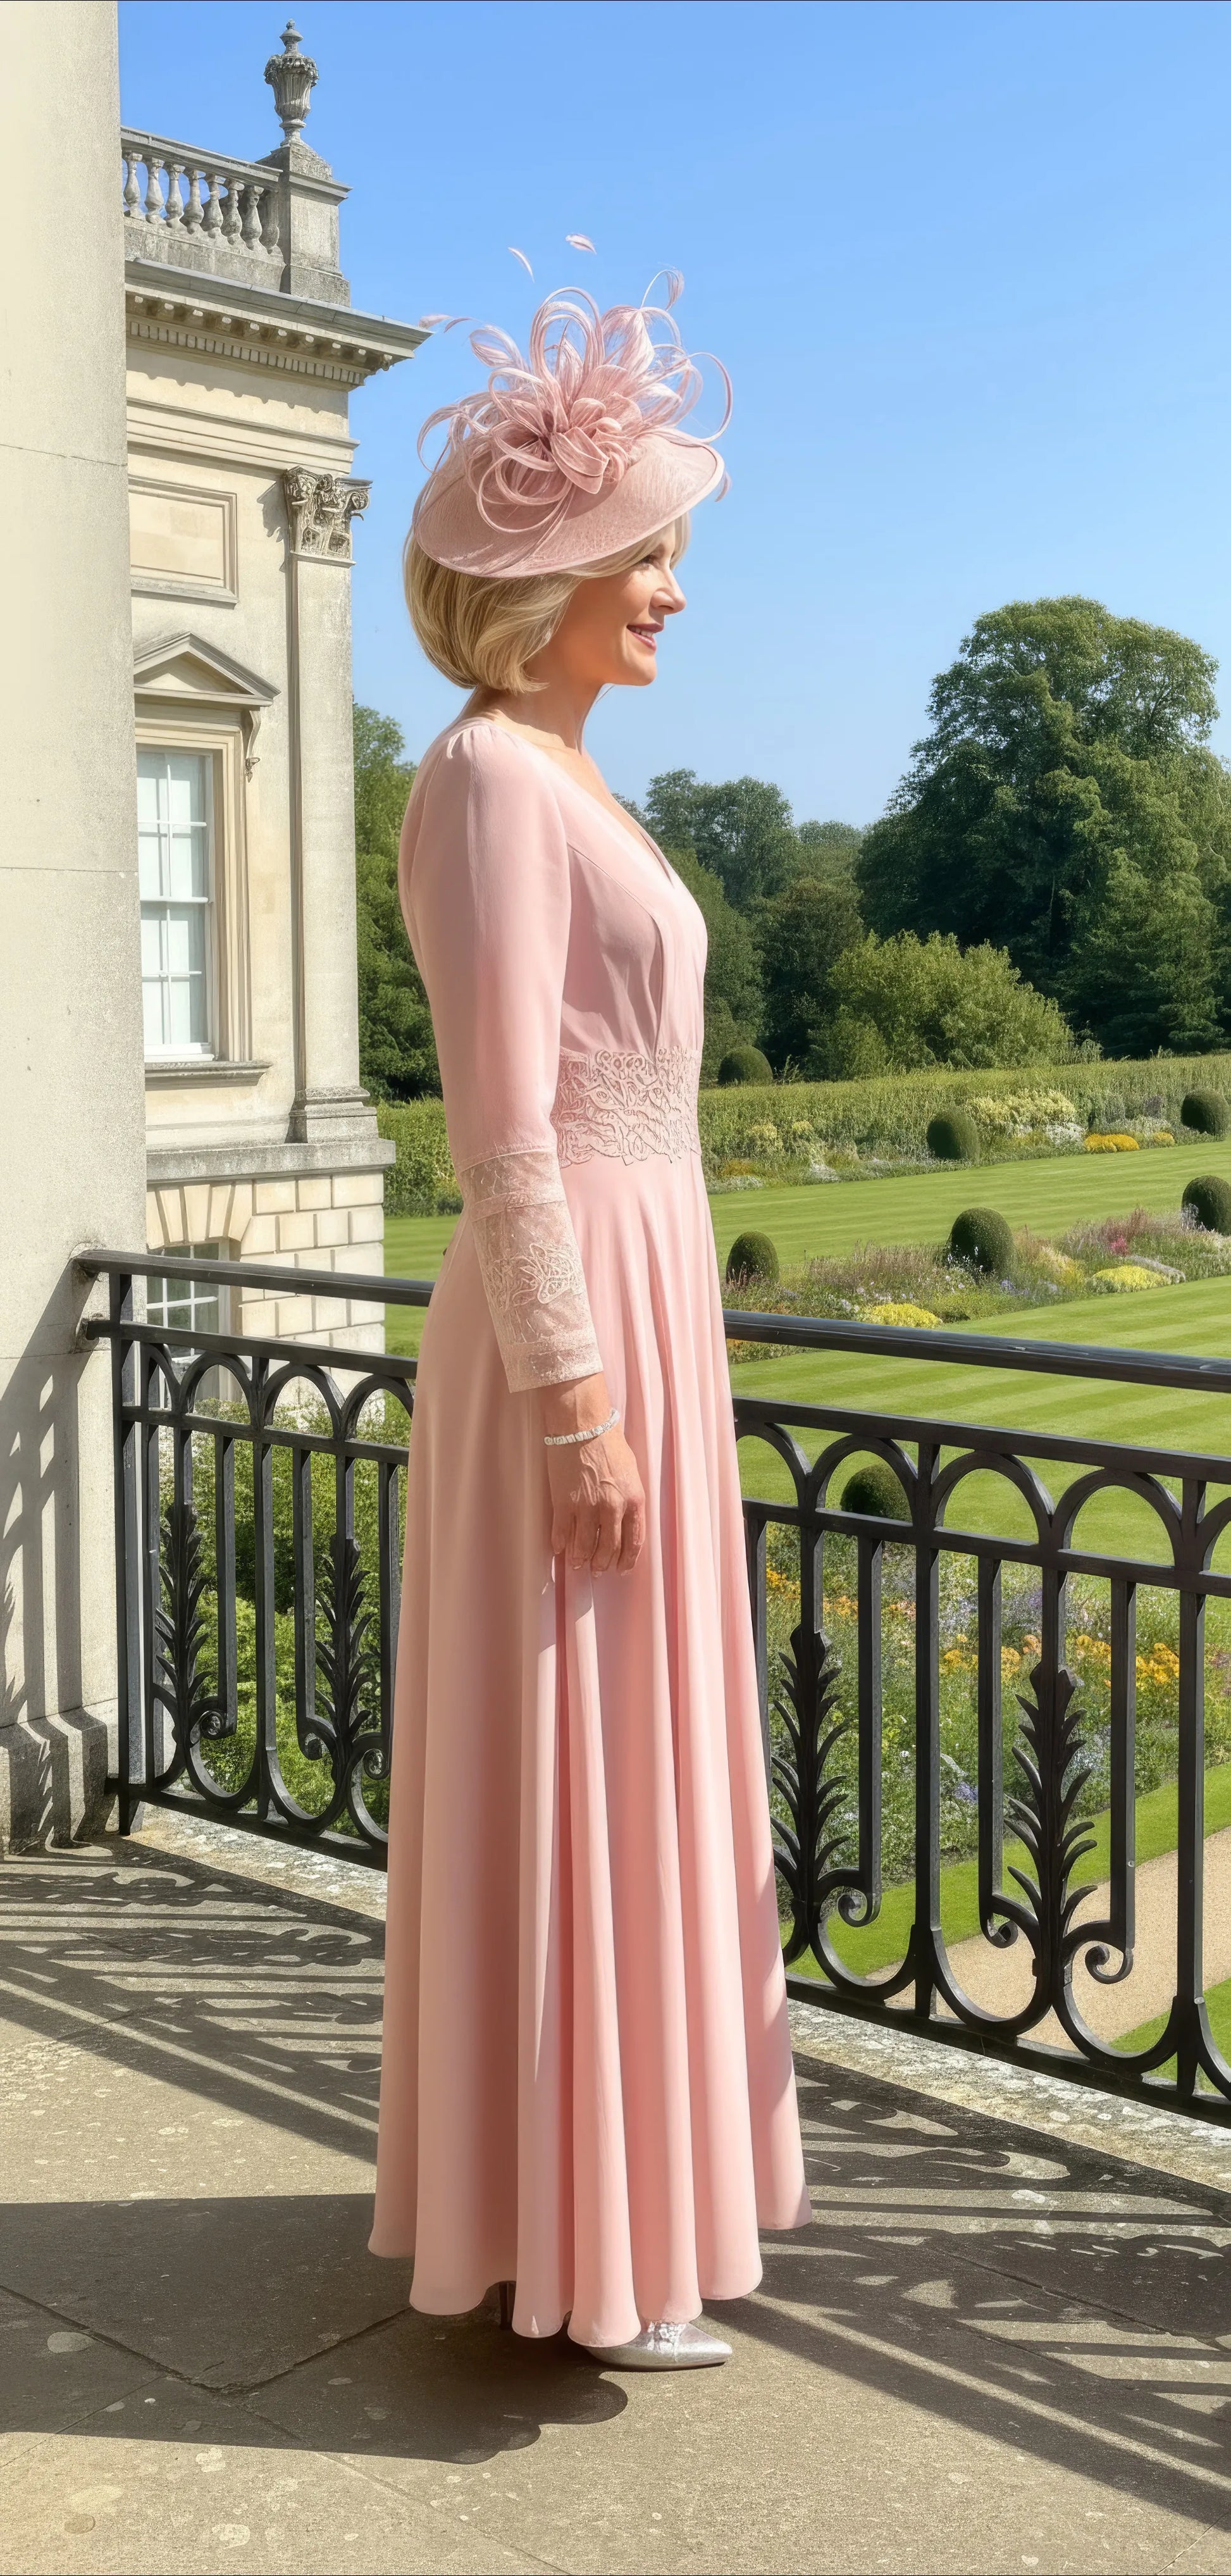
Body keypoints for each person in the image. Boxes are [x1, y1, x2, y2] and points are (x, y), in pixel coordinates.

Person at [370, 283, 810, 2369]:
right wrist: (572, 1398)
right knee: (578, 1749)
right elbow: (501, 1131)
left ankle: (622, 2210)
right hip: (573, 1326)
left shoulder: (562, 775)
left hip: (641, 1299)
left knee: (635, 1751)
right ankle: (574, 2236)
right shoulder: (485, 784)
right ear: (541, 574)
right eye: (646, 554)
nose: (670, 593)